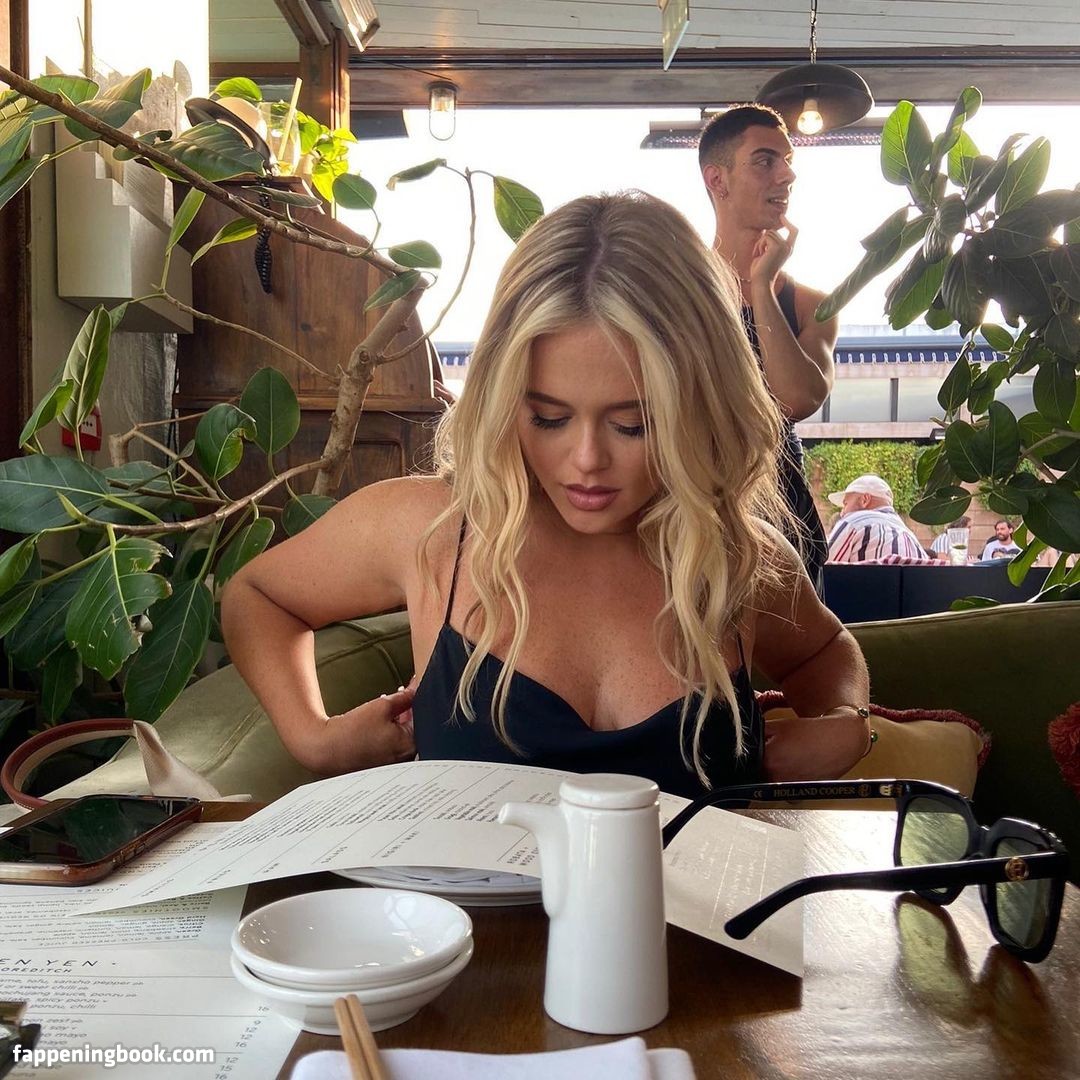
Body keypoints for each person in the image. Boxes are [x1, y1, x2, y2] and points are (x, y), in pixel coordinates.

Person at [222, 192, 870, 799]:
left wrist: (845, 722)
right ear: (505, 399)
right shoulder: (432, 527)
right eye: (549, 417)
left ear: (699, 405)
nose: (586, 461)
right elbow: (258, 596)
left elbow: (824, 651)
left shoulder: (735, 558)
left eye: (634, 424)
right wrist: (315, 737)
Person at [698, 104, 839, 595]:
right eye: (764, 161)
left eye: (788, 161)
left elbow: (795, 401)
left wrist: (761, 288)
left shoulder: (810, 304)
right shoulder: (675, 295)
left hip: (786, 520)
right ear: (717, 180)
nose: (787, 175)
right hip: (696, 518)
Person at [826, 475, 930, 563]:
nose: (842, 512)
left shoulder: (854, 523)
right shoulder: (912, 539)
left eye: (845, 504)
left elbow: (821, 570)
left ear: (864, 500)